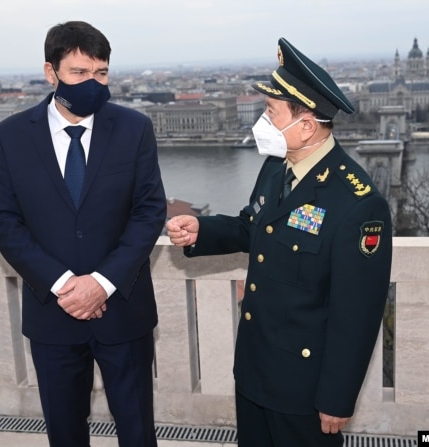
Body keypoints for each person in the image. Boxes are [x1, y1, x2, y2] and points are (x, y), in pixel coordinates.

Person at [166, 37, 392, 447]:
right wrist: (203, 231)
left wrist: (337, 398)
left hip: (305, 389)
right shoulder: (275, 168)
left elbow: (356, 315)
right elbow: (254, 225)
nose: (262, 123)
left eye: (271, 114)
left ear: (306, 125)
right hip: (255, 369)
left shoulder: (357, 203)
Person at [0, 21, 166, 447]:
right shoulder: (12, 136)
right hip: (53, 313)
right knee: (65, 434)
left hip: (123, 310)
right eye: (79, 73)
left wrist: (101, 285)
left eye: (101, 72)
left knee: (138, 431)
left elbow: (149, 211)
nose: (93, 82)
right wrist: (66, 284)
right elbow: (3, 219)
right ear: (51, 73)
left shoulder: (134, 128)